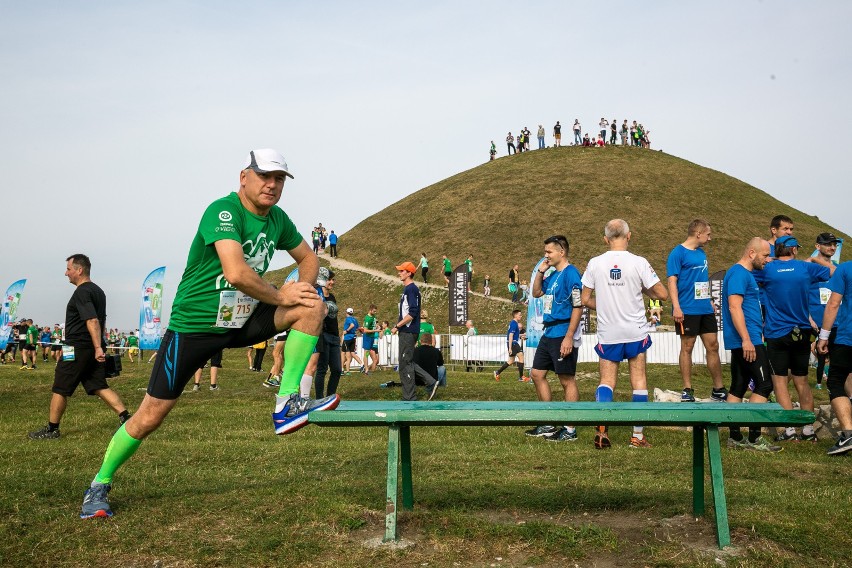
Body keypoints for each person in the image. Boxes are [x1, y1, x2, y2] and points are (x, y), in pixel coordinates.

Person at [77, 149, 339, 520]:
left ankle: (286, 404)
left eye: (279, 179)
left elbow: (309, 259)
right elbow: (235, 272)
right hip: (195, 328)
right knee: (150, 416)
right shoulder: (223, 211)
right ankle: (99, 484)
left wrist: (305, 288)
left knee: (313, 307)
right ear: (243, 177)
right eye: (264, 176)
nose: (272, 184)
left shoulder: (278, 219)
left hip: (243, 320)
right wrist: (282, 294)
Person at [581, 219, 668, 449]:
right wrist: (642, 288)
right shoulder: (639, 262)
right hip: (635, 330)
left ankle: (602, 430)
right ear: (629, 236)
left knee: (606, 381)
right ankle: (637, 436)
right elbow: (662, 293)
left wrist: (604, 305)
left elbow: (583, 299)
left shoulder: (595, 263)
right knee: (638, 380)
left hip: (609, 330)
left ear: (605, 239)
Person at [29, 254, 132, 440]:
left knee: (60, 386)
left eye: (68, 269)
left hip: (76, 347)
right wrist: (99, 345)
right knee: (98, 385)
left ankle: (52, 430)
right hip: (91, 346)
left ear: (79, 270)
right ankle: (126, 418)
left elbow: (92, 320)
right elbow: (102, 320)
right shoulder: (99, 291)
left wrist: (98, 347)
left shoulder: (82, 292)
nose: (66, 273)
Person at [753, 235, 834, 443]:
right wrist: (815, 259)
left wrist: (768, 261)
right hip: (802, 332)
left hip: (775, 333)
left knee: (780, 382)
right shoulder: (805, 268)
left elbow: (747, 271)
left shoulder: (767, 269)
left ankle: (789, 430)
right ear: (794, 250)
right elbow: (834, 272)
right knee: (802, 381)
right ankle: (807, 430)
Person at [722, 238, 782, 452]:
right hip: (747, 340)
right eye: (765, 255)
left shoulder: (741, 273)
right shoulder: (739, 273)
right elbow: (734, 307)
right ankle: (754, 439)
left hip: (749, 338)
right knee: (765, 385)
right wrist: (747, 339)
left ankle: (735, 438)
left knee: (738, 386)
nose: (768, 260)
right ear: (751, 253)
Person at [525, 235, 584, 441]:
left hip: (562, 332)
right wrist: (541, 271)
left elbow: (578, 306)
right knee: (536, 374)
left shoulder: (571, 274)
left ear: (562, 252)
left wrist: (569, 337)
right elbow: (536, 292)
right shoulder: (553, 274)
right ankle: (548, 422)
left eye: (549, 252)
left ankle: (570, 429)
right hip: (548, 333)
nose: (546, 255)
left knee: (566, 379)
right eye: (545, 252)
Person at [666, 219, 727, 402]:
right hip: (686, 309)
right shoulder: (677, 253)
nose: (710, 238)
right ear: (698, 234)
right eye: (708, 234)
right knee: (688, 346)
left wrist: (709, 299)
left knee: (713, 345)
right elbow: (672, 281)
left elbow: (701, 280)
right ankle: (687, 389)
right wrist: (676, 307)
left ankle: (718, 389)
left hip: (704, 308)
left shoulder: (701, 253)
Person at [815, 259, 852, 455]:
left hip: (848, 337)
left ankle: (848, 434)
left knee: (836, 381)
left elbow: (833, 304)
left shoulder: (845, 268)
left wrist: (823, 336)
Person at [809, 233, 841, 389]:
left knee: (842, 365)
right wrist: (809, 318)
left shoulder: (838, 268)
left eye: (834, 244)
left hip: (837, 322)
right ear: (817, 246)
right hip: (816, 322)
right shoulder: (809, 267)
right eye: (828, 244)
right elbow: (800, 293)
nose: (832, 247)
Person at [391, 261, 421, 401]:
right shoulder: (408, 289)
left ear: (409, 273)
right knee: (405, 362)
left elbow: (412, 312)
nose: (399, 273)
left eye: (402, 271)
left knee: (405, 363)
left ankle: (410, 397)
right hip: (407, 331)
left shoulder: (411, 289)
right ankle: (430, 382)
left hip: (408, 331)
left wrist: (397, 326)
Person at [314, 267, 342, 397]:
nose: (332, 282)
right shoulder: (317, 296)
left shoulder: (332, 297)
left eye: (333, 279)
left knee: (337, 369)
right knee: (322, 369)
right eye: (329, 279)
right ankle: (319, 398)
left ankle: (330, 396)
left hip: (334, 337)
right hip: (322, 336)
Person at [494, 309, 527, 382]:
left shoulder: (514, 323)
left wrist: (522, 336)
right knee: (521, 357)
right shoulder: (513, 323)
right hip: (513, 343)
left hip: (512, 343)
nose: (521, 316)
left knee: (511, 361)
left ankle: (497, 372)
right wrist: (510, 348)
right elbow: (511, 335)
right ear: (515, 315)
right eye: (520, 315)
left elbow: (515, 335)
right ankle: (521, 377)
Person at [412, 332, 441, 400]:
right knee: (442, 369)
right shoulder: (436, 351)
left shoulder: (415, 351)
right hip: (432, 377)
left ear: (420, 341)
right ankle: (441, 384)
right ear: (431, 341)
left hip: (417, 380)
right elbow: (440, 364)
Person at [341, 307, 363, 374]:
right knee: (352, 353)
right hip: (353, 337)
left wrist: (347, 330)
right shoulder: (354, 319)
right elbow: (358, 328)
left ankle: (343, 370)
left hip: (347, 338)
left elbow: (352, 325)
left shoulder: (348, 319)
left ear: (346, 313)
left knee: (343, 353)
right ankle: (362, 364)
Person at [359, 305, 380, 374]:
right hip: (367, 337)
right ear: (370, 310)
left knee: (369, 353)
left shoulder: (373, 316)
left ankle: (368, 367)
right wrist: (375, 331)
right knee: (366, 353)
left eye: (375, 311)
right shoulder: (367, 318)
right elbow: (365, 330)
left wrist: (377, 326)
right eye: (374, 311)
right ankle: (366, 369)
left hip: (372, 337)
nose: (375, 312)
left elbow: (374, 324)